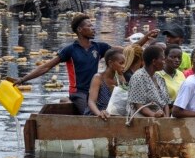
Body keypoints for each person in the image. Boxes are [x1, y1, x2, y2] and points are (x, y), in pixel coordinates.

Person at [14, 14, 156, 115]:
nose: (93, 28)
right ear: (80, 30)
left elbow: (128, 51)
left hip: (96, 91)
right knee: (90, 114)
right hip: (79, 93)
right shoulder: (70, 50)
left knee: (115, 110)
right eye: (89, 26)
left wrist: (145, 38)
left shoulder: (98, 47)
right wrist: (22, 80)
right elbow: (46, 66)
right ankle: (66, 100)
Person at [127, 45, 170, 118]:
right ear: (154, 61)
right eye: (162, 59)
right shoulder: (139, 77)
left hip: (162, 120)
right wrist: (154, 115)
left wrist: (167, 119)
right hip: (144, 121)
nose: (164, 62)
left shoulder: (159, 78)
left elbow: (165, 103)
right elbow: (139, 106)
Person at [86, 47, 126, 120]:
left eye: (124, 63)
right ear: (110, 63)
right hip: (96, 116)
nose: (124, 66)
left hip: (112, 115)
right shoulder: (98, 78)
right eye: (121, 63)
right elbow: (91, 101)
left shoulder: (120, 78)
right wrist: (99, 114)